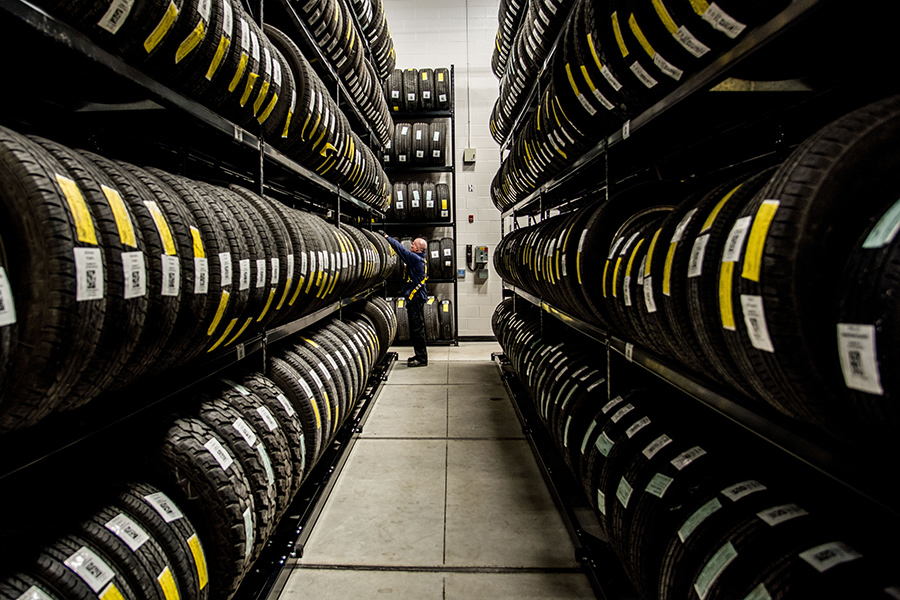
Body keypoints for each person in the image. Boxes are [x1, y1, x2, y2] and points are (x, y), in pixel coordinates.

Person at [385, 235, 429, 367]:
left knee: (417, 330)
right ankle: (419, 355)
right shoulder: (418, 258)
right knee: (416, 329)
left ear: (419, 249)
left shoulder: (415, 259)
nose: (411, 246)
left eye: (414, 245)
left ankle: (421, 358)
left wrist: (387, 237)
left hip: (415, 300)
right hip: (415, 299)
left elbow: (400, 250)